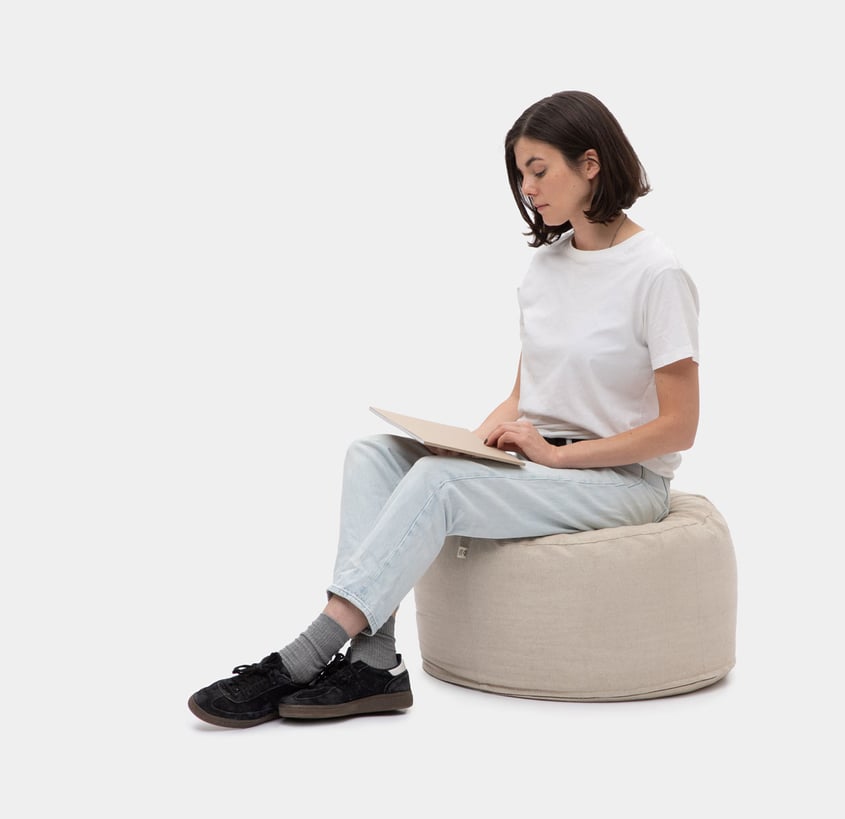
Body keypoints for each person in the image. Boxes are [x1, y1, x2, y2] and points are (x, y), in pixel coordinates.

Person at [188, 90, 701, 728]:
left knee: (437, 483)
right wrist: (474, 442)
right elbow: (526, 393)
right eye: (520, 174)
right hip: (546, 462)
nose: (527, 187)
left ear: (591, 163)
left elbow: (679, 426)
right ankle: (376, 661)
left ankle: (306, 653)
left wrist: (554, 457)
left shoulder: (657, 272)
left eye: (539, 170)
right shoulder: (546, 267)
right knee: (375, 456)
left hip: (622, 481)